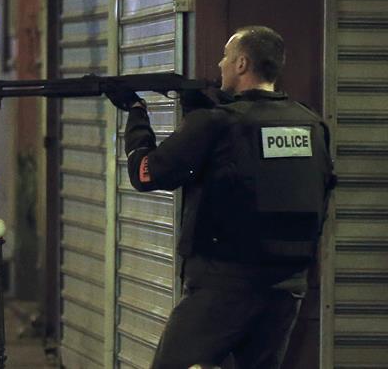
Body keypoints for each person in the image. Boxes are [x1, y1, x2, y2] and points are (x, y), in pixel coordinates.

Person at [113, 26, 336, 369]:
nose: (220, 65)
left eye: (225, 57)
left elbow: (146, 172)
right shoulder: (311, 124)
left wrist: (136, 112)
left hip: (224, 286)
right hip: (286, 288)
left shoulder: (218, 124)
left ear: (242, 64)